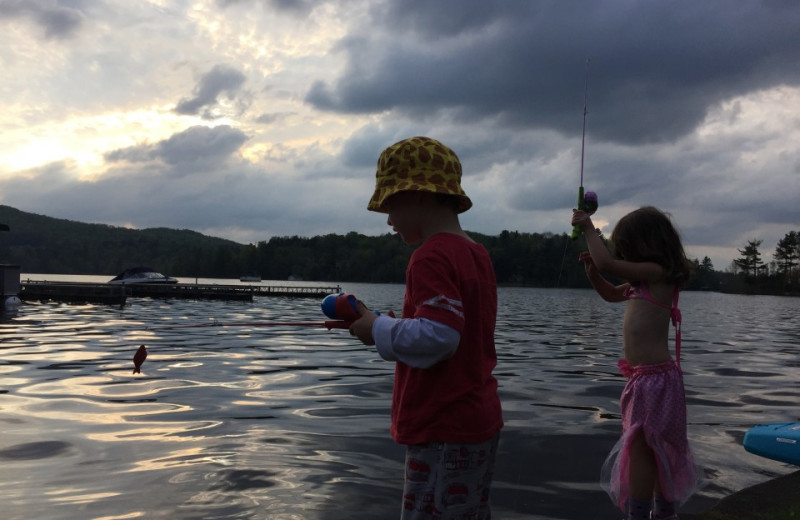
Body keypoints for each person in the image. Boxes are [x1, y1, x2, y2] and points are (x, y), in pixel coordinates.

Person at [349, 136, 503, 520]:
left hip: (443, 426)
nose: (387, 219)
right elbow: (453, 328)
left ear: (417, 194)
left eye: (389, 204)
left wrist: (377, 329)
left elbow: (441, 337)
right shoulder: (476, 254)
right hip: (477, 418)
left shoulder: (430, 256)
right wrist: (383, 321)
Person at [570, 206, 700, 520]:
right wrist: (594, 276)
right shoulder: (642, 284)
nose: (624, 256)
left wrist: (589, 228)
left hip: (653, 380)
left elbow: (607, 261)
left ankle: (642, 514)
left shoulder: (657, 273)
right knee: (653, 448)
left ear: (644, 245)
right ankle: (664, 512)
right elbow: (612, 295)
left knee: (643, 450)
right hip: (646, 379)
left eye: (627, 248)